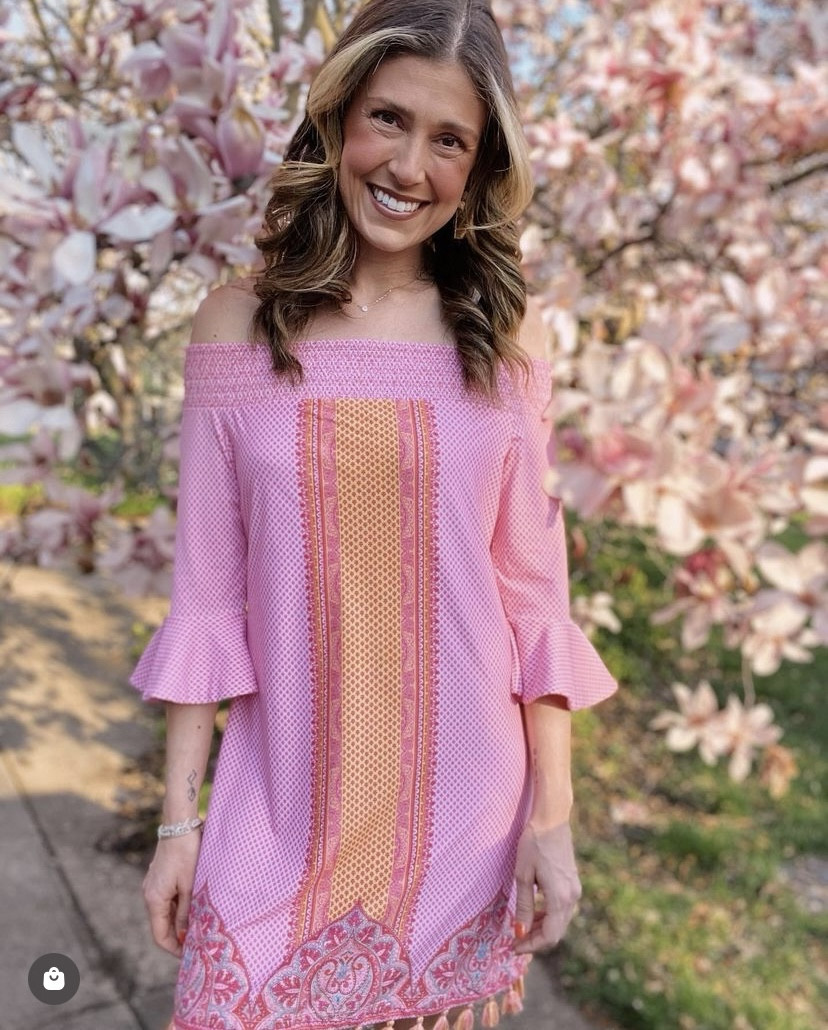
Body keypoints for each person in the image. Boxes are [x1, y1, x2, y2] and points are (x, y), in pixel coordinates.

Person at [130, 2, 618, 1028]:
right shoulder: (238, 322)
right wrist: (181, 819)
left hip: (463, 820)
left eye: (451, 141)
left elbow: (534, 595)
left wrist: (552, 819)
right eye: (388, 119)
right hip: (277, 809)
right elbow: (207, 595)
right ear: (338, 118)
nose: (409, 167)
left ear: (480, 170)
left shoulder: (504, 334)